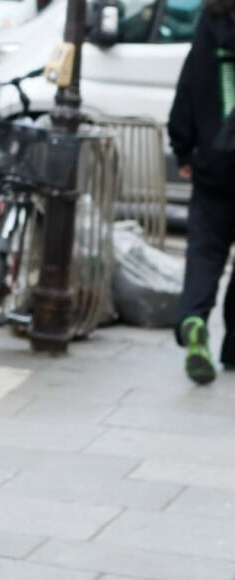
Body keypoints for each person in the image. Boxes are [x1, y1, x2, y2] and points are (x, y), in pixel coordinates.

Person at [168, 0, 235, 385]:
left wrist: (183, 147)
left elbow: (189, 87)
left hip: (212, 164)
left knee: (205, 251)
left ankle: (193, 318)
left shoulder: (208, 26)